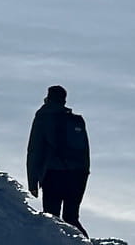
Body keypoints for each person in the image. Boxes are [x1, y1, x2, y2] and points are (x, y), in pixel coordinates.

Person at [25, 85, 91, 235]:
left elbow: (34, 150)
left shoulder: (43, 117)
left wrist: (32, 182)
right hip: (78, 174)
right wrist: (84, 173)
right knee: (71, 217)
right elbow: (85, 151)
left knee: (52, 218)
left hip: (53, 172)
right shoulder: (75, 120)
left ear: (48, 98)